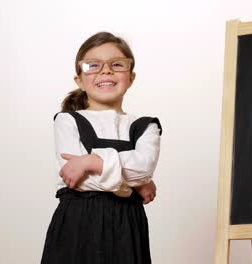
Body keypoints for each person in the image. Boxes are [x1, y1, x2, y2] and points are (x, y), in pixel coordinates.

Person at [41, 32, 162, 264]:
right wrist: (132, 184)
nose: (105, 71)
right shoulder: (67, 121)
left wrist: (91, 162)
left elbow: (144, 168)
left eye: (117, 64)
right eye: (93, 65)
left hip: (127, 226)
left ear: (131, 77)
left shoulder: (146, 126)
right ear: (79, 79)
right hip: (76, 225)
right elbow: (77, 180)